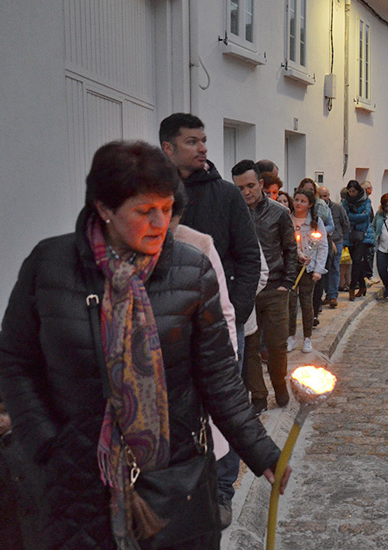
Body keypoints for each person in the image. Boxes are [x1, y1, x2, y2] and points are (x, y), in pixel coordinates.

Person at [0, 141, 287, 549]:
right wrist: (45, 441)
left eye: (167, 208)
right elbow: (14, 361)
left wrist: (261, 451)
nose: (159, 222)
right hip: (76, 483)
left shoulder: (191, 270)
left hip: (176, 480)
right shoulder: (49, 266)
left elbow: (220, 377)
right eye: (143, 210)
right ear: (104, 209)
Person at [159, 114, 261, 355]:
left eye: (203, 141)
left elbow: (249, 256)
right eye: (192, 142)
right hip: (167, 319)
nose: (202, 148)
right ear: (168, 148)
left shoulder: (227, 194)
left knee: (224, 388)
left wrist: (236, 310)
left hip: (220, 318)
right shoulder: (152, 192)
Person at [231, 160, 298, 414]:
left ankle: (279, 385)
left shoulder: (278, 213)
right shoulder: (233, 213)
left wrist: (287, 284)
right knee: (249, 346)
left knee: (277, 344)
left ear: (260, 184)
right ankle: (258, 395)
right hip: (245, 291)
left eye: (250, 186)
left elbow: (291, 249)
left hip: (275, 289)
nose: (246, 192)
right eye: (240, 188)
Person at [289, 189, 327, 353]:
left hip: (308, 268)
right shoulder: (288, 220)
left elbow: (322, 246)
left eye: (302, 201)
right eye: (296, 200)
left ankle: (307, 338)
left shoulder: (316, 222)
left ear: (310, 204)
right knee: (290, 303)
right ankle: (291, 336)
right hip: (291, 266)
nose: (298, 203)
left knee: (306, 303)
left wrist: (318, 269)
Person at [319, 186, 350, 309]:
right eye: (320, 196)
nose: (323, 198)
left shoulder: (337, 208)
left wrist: (340, 236)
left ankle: (333, 296)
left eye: (325, 196)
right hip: (322, 241)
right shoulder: (317, 208)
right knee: (324, 268)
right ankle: (328, 293)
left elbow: (346, 224)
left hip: (336, 241)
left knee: (334, 267)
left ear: (329, 195)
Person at [343, 180, 374, 300]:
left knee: (357, 259)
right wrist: (358, 217)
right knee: (357, 262)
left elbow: (367, 216)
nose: (351, 194)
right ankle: (362, 286)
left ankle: (352, 287)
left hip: (364, 235)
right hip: (351, 235)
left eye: (353, 191)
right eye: (349, 191)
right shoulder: (345, 202)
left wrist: (353, 217)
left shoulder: (366, 200)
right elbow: (346, 216)